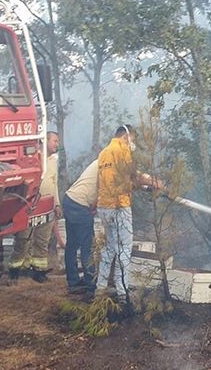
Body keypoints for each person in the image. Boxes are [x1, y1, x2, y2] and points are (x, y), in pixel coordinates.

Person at [95, 125, 163, 301]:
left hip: (104, 206)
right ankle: (123, 293)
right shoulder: (123, 149)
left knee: (110, 248)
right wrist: (153, 183)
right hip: (120, 206)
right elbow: (133, 177)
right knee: (124, 250)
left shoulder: (104, 153)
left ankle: (100, 289)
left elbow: (110, 180)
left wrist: (144, 186)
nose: (133, 143)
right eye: (133, 139)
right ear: (126, 136)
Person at [8, 131, 62, 283]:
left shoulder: (53, 161)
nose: (57, 144)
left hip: (48, 206)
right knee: (23, 238)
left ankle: (39, 271)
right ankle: (15, 271)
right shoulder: (32, 159)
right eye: (55, 141)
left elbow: (54, 183)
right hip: (30, 206)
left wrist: (57, 204)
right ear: (45, 142)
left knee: (42, 240)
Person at [62, 159, 98, 295]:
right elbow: (104, 190)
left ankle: (73, 282)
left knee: (72, 244)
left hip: (70, 199)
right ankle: (91, 285)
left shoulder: (98, 162)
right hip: (80, 204)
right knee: (87, 245)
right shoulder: (109, 165)